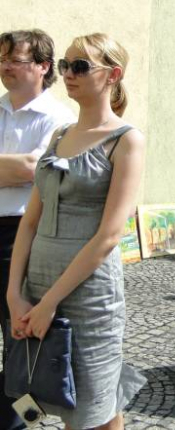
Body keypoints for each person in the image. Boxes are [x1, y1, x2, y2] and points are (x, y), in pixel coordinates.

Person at [6, 33, 146, 428]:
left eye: (80, 66)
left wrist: (50, 302)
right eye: (65, 65)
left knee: (90, 404)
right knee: (64, 396)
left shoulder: (126, 140)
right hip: (38, 285)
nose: (68, 73)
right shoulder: (60, 135)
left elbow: (109, 236)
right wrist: (15, 294)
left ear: (112, 75)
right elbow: (30, 221)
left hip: (89, 294)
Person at [0, 28, 74, 429]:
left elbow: (35, 170)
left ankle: (17, 421)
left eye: (16, 59)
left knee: (20, 338)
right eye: (2, 59)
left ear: (44, 67)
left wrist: (25, 168)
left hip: (22, 235)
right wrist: (18, 168)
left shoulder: (60, 119)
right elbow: (25, 167)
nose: (5, 67)